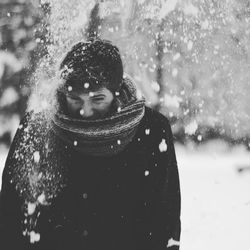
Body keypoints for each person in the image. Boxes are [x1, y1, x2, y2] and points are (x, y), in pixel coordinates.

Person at [0, 39, 181, 250]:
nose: (85, 111)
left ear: (116, 91)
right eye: (75, 99)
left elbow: (164, 220)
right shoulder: (37, 129)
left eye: (97, 99)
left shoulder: (152, 130)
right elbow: (10, 217)